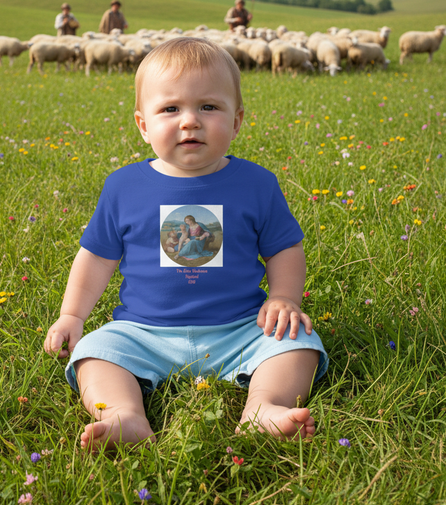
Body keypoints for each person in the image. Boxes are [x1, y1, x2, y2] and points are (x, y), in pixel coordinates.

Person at [44, 38, 328, 451]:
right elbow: (97, 257)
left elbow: (284, 247)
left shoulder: (257, 183)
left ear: (236, 121)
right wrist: (72, 314)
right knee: (95, 352)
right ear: (143, 125)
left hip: (240, 328)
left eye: (209, 107)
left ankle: (264, 406)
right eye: (171, 109)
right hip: (143, 330)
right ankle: (123, 414)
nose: (190, 121)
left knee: (298, 343)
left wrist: (285, 297)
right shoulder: (123, 187)